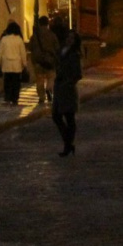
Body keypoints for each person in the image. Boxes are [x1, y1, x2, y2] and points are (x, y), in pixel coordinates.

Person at [52, 28, 82, 156]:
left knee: (69, 118)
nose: (69, 40)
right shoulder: (61, 51)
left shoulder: (74, 54)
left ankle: (67, 145)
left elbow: (78, 74)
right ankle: (68, 143)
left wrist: (68, 82)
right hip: (59, 87)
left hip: (67, 89)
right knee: (56, 115)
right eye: (68, 37)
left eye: (72, 38)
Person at [0, 20, 29, 106]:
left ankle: (7, 97)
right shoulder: (19, 40)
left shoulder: (4, 39)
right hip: (17, 65)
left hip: (6, 64)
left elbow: (0, 52)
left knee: (7, 81)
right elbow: (23, 53)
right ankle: (15, 98)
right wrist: (25, 64)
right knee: (16, 82)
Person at [29, 14, 60, 105]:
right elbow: (57, 47)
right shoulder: (52, 34)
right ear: (47, 24)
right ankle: (49, 89)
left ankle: (41, 97)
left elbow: (30, 47)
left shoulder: (35, 36)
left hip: (38, 61)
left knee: (39, 79)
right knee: (51, 77)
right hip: (50, 60)